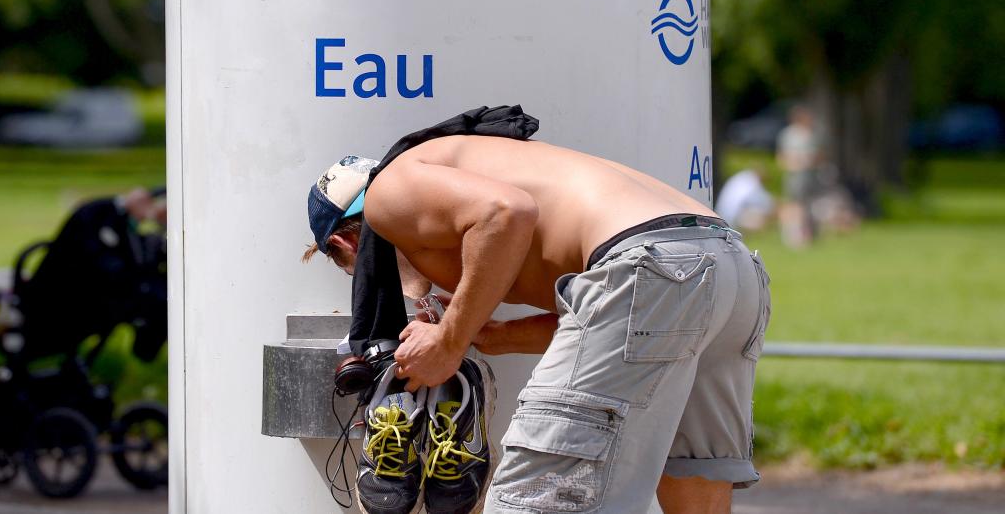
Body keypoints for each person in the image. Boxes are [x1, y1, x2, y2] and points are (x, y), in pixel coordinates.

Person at [305, 129, 771, 514]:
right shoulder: (468, 166)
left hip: (648, 265)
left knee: (532, 501)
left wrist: (448, 344)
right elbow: (627, 319)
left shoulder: (391, 190)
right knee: (693, 485)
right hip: (727, 263)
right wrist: (498, 335)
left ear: (346, 247)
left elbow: (506, 213)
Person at [775, 105, 821, 247]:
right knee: (794, 205)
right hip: (794, 175)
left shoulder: (809, 134)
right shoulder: (789, 135)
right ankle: (793, 235)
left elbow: (817, 157)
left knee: (805, 206)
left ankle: (804, 235)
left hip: (807, 176)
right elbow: (781, 158)